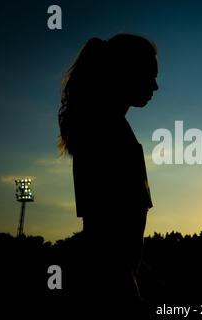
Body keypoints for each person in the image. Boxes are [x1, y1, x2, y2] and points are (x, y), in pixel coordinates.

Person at [57, 34, 158, 316]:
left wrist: (139, 272)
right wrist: (128, 293)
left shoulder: (108, 129)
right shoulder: (107, 134)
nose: (156, 86)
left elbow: (113, 232)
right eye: (150, 75)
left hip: (111, 281)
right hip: (109, 290)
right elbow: (105, 235)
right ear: (126, 72)